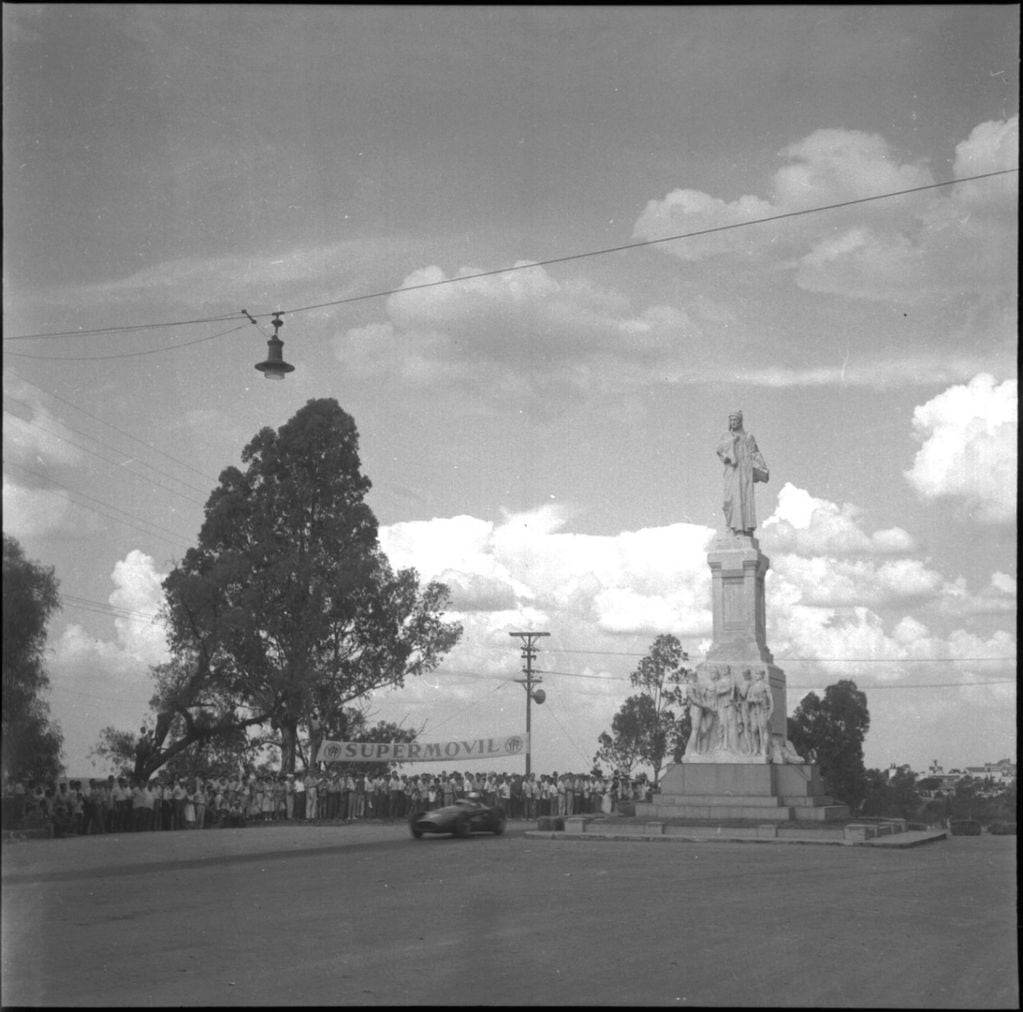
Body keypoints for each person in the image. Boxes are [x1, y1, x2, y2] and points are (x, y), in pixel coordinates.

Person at [716, 410, 769, 536]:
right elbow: (719, 450)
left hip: (744, 471)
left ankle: (742, 530)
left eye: (735, 420)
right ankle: (731, 527)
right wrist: (732, 442)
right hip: (731, 471)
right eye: (731, 420)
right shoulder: (726, 436)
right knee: (729, 500)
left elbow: (755, 453)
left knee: (743, 498)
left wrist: (762, 466)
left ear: (740, 421)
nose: (733, 422)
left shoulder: (748, 436)